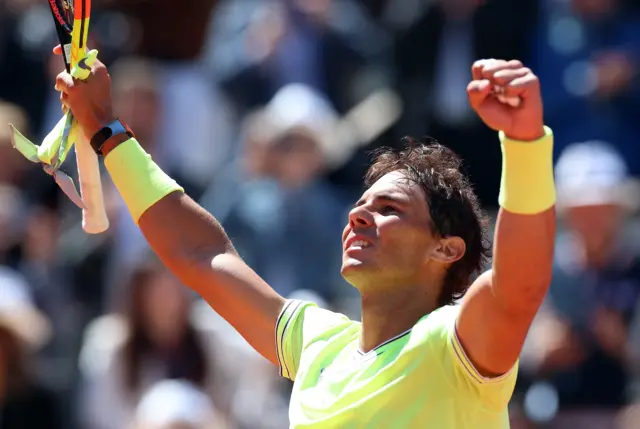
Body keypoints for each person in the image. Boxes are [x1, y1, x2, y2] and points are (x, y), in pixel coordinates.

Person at [53, 42, 556, 428]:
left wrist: (526, 143)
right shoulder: (318, 344)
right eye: (360, 206)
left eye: (389, 209)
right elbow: (200, 252)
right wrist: (106, 128)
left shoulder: (456, 343)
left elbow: (518, 288)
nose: (359, 218)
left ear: (446, 249)